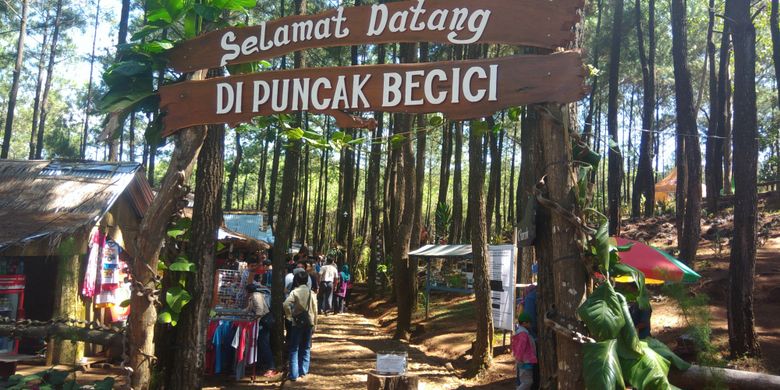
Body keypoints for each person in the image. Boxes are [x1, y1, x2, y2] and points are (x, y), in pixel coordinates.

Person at [283, 271, 318, 381]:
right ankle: (304, 371)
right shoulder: (311, 293)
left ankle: (293, 374)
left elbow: (286, 304)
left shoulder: (295, 292)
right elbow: (315, 310)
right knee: (306, 347)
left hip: (296, 322)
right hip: (309, 322)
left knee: (294, 348)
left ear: (296, 280)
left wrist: (289, 316)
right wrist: (315, 325)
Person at [246, 284, 276, 377]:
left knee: (264, 344)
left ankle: (271, 367)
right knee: (260, 344)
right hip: (261, 322)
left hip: (264, 322)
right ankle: (260, 365)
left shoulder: (256, 296)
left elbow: (260, 309)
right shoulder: (253, 297)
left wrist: (255, 319)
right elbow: (249, 309)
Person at [511, 312, 537, 390]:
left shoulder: (521, 332)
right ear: (524, 323)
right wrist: (519, 359)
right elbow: (520, 348)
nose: (530, 325)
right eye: (529, 323)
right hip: (525, 361)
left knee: (526, 381)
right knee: (527, 382)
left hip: (525, 361)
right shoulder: (523, 334)